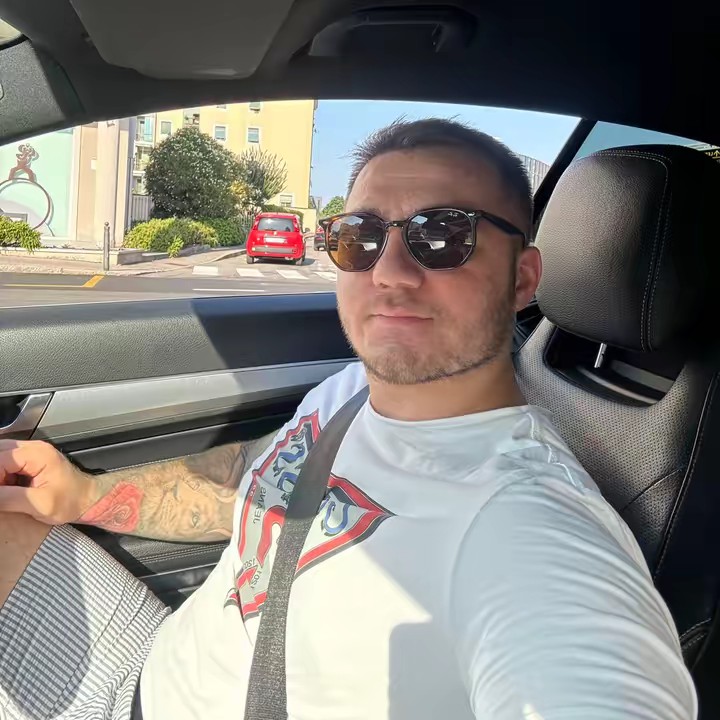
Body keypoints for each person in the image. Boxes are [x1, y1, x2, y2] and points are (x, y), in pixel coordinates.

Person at [0, 119, 696, 720]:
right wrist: (83, 495)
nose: (389, 271)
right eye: (358, 237)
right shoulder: (348, 391)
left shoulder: (531, 526)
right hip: (152, 660)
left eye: (442, 235)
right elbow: (246, 484)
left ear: (522, 278)